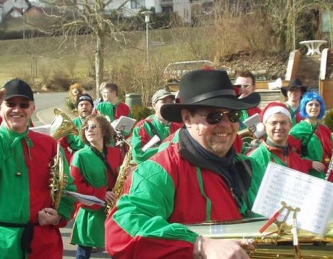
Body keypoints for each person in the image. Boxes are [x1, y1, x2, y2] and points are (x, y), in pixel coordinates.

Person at [105, 69, 264, 258]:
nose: (225, 124)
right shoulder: (160, 170)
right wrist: (199, 245)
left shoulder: (252, 167)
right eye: (213, 116)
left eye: (233, 115)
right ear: (187, 119)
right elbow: (121, 231)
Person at [0, 78, 76, 259]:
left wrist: (58, 215)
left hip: (40, 244)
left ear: (32, 109)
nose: (17, 109)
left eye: (24, 104)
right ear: (0, 108)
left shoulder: (49, 145)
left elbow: (67, 188)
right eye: (10, 104)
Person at [70, 114, 124, 259]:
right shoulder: (79, 156)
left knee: (118, 249)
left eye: (94, 126)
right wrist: (101, 193)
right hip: (90, 211)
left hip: (114, 208)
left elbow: (123, 178)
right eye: (86, 127)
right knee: (83, 253)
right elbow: (74, 186)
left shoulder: (116, 153)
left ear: (105, 130)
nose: (89, 130)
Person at [248, 102, 325, 178]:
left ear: (290, 126)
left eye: (283, 123)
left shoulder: (296, 158)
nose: (279, 127)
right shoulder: (254, 158)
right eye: (273, 123)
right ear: (264, 127)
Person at [289, 92, 333, 181]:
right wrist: (310, 163)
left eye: (317, 105)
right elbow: (290, 155)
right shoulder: (297, 130)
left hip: (327, 176)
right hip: (309, 177)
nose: (314, 107)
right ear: (304, 107)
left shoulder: (325, 130)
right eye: (310, 104)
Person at [131, 89, 181, 163]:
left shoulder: (179, 125)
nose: (168, 105)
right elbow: (138, 155)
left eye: (170, 102)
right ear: (154, 105)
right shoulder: (143, 127)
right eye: (163, 102)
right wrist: (166, 149)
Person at [58, 93, 96, 163]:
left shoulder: (100, 122)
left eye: (87, 104)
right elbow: (61, 146)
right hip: (78, 161)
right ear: (77, 108)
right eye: (81, 105)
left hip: (97, 159)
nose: (84, 107)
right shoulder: (70, 124)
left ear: (92, 107)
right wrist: (71, 159)